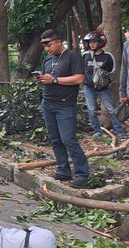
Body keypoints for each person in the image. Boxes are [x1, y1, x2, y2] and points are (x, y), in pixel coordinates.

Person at [35, 29, 89, 189]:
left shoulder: (73, 56)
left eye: (49, 45)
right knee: (55, 139)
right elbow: (49, 78)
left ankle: (82, 175)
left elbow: (79, 78)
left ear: (58, 41)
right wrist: (43, 79)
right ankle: (63, 170)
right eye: (44, 46)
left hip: (65, 105)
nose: (47, 49)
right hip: (48, 103)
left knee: (68, 139)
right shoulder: (48, 59)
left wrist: (55, 80)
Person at [82, 31, 125, 140]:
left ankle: (119, 132)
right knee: (91, 111)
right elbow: (81, 69)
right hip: (89, 87)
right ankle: (97, 131)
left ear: (100, 42)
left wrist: (105, 78)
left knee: (112, 110)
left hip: (103, 88)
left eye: (94, 42)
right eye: (90, 42)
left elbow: (112, 70)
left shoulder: (108, 56)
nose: (92, 44)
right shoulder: (85, 55)